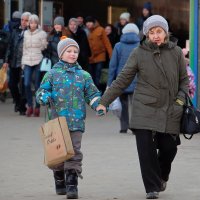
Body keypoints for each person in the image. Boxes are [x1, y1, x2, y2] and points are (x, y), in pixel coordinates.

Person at [97, 15, 189, 199]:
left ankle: (162, 175)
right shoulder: (138, 53)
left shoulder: (176, 52)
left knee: (169, 148)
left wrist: (179, 102)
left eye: (159, 31)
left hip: (171, 107)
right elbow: (123, 79)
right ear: (146, 34)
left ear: (166, 33)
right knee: (146, 149)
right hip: (144, 106)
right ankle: (151, 187)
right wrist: (104, 101)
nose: (156, 35)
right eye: (152, 32)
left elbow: (184, 81)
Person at [36, 38, 101, 199]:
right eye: (69, 51)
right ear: (61, 54)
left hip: (77, 121)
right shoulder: (52, 74)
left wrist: (98, 105)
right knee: (58, 154)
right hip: (57, 121)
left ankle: (72, 184)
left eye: (75, 51)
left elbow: (92, 94)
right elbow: (40, 91)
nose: (73, 54)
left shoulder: (84, 75)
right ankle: (59, 178)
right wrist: (44, 96)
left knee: (74, 152)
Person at [107, 23, 140, 133]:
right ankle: (135, 127)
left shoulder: (118, 46)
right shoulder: (141, 45)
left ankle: (124, 127)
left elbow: (113, 65)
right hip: (137, 80)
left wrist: (110, 82)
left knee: (123, 104)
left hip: (122, 80)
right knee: (136, 104)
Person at [3, 11, 31, 115]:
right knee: (11, 84)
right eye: (22, 20)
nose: (23, 22)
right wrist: (6, 61)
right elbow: (9, 46)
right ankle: (18, 102)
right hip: (14, 61)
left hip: (25, 62)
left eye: (26, 20)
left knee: (23, 85)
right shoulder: (15, 31)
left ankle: (22, 106)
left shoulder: (30, 32)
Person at [22, 14, 47, 117]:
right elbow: (24, 48)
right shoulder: (25, 33)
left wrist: (44, 43)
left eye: (35, 22)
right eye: (31, 22)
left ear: (37, 24)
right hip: (27, 60)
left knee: (37, 85)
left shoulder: (42, 33)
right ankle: (30, 106)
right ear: (29, 23)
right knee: (26, 84)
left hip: (38, 60)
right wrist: (22, 63)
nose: (33, 24)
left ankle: (37, 107)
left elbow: (44, 47)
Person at [85, 16, 112, 91]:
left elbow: (107, 43)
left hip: (100, 56)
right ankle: (92, 92)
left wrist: (111, 55)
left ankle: (98, 92)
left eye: (90, 22)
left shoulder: (101, 30)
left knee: (98, 75)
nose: (88, 24)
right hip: (90, 58)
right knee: (91, 76)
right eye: (87, 22)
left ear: (93, 23)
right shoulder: (86, 31)